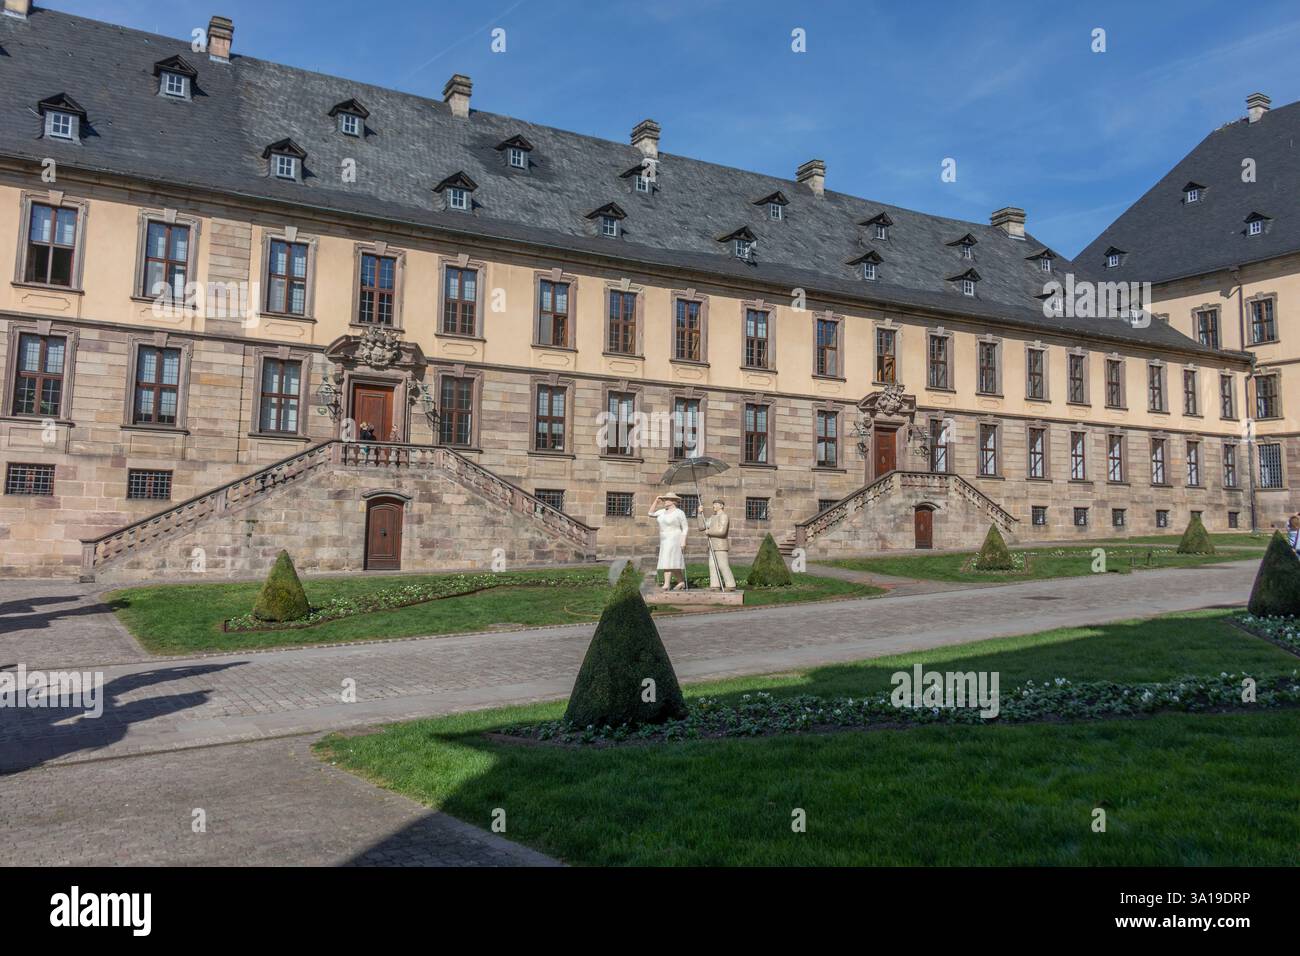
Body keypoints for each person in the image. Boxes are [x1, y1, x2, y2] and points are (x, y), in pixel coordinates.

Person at [648, 493, 689, 590]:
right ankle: (681, 582)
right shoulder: (662, 511)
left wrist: (683, 541)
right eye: (664, 499)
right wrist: (656, 501)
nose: (664, 501)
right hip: (664, 538)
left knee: (668, 560)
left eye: (666, 499)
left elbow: (685, 528)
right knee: (671, 560)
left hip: (674, 538)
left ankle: (666, 584)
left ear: (673, 501)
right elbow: (650, 513)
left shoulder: (679, 513)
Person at [704, 498, 736, 591]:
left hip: (720, 545)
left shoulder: (724, 516)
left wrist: (709, 532)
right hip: (712, 545)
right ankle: (715, 585)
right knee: (712, 566)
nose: (713, 506)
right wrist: (699, 513)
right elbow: (702, 526)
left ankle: (731, 585)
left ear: (721, 506)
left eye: (716, 504)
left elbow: (722, 531)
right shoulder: (713, 517)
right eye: (713, 504)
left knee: (723, 565)